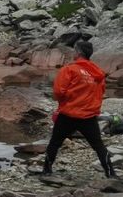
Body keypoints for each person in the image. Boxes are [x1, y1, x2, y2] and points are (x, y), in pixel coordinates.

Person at [43, 41, 116, 178]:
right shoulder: (98, 73)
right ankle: (111, 173)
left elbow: (58, 92)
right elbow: (101, 92)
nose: (73, 53)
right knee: (98, 145)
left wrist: (65, 102)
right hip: (88, 117)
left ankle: (46, 170)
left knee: (55, 142)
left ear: (78, 53)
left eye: (74, 51)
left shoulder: (69, 69)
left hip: (68, 114)